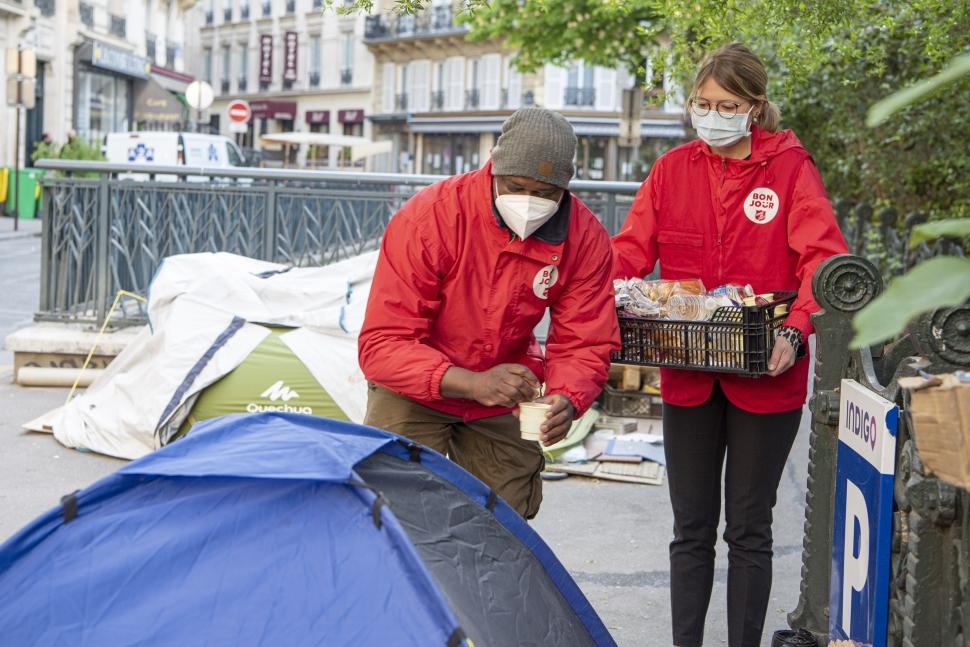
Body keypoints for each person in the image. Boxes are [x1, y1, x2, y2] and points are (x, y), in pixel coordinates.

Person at [612, 43, 848, 647]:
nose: (711, 114)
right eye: (701, 103)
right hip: (688, 373)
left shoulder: (791, 170)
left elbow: (822, 263)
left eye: (726, 104)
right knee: (690, 527)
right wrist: (603, 286)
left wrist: (797, 330)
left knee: (748, 528)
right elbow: (631, 251)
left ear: (754, 107)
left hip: (766, 377)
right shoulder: (672, 170)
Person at [359, 107, 620, 519]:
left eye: (546, 194)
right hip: (414, 385)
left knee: (505, 520)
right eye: (516, 187)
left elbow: (584, 340)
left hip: (504, 390)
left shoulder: (585, 238)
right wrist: (470, 382)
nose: (530, 203)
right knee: (394, 512)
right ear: (494, 170)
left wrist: (567, 399)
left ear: (565, 189)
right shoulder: (430, 217)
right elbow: (383, 343)